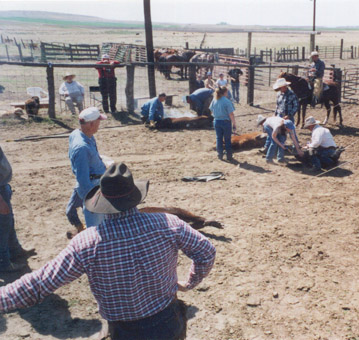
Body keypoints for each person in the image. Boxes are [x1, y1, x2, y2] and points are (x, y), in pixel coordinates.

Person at [0, 162, 216, 340]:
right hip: (169, 320)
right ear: (135, 195)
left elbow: (39, 284)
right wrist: (190, 282)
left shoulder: (87, 243)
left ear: (102, 201)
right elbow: (206, 252)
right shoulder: (168, 224)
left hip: (124, 330)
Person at [68, 107, 107, 231]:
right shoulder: (82, 148)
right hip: (92, 185)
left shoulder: (80, 134)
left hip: (92, 179)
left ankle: (77, 224)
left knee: (71, 209)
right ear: (91, 124)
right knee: (96, 227)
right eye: (98, 121)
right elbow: (83, 180)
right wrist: (93, 202)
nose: (99, 124)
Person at [0, 146, 35, 272]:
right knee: (2, 227)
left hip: (3, 186)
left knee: (8, 223)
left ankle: (15, 251)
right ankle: (4, 263)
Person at [209, 86, 237, 161]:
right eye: (227, 92)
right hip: (225, 122)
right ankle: (229, 155)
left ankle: (220, 154)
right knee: (227, 139)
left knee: (219, 138)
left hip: (216, 121)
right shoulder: (227, 101)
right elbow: (231, 114)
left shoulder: (214, 100)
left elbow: (211, 110)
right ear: (225, 92)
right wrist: (234, 124)